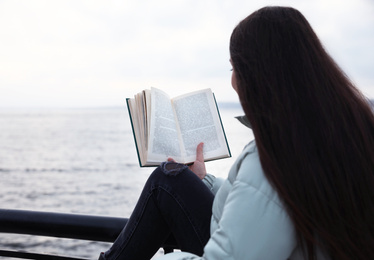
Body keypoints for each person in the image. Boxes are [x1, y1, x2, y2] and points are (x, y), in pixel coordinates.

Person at [99, 6, 374, 260]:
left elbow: (256, 211)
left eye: (234, 68)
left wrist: (164, 258)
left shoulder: (277, 159)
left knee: (163, 181)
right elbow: (257, 206)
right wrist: (203, 181)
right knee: (172, 177)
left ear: (255, 75)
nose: (233, 79)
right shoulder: (347, 129)